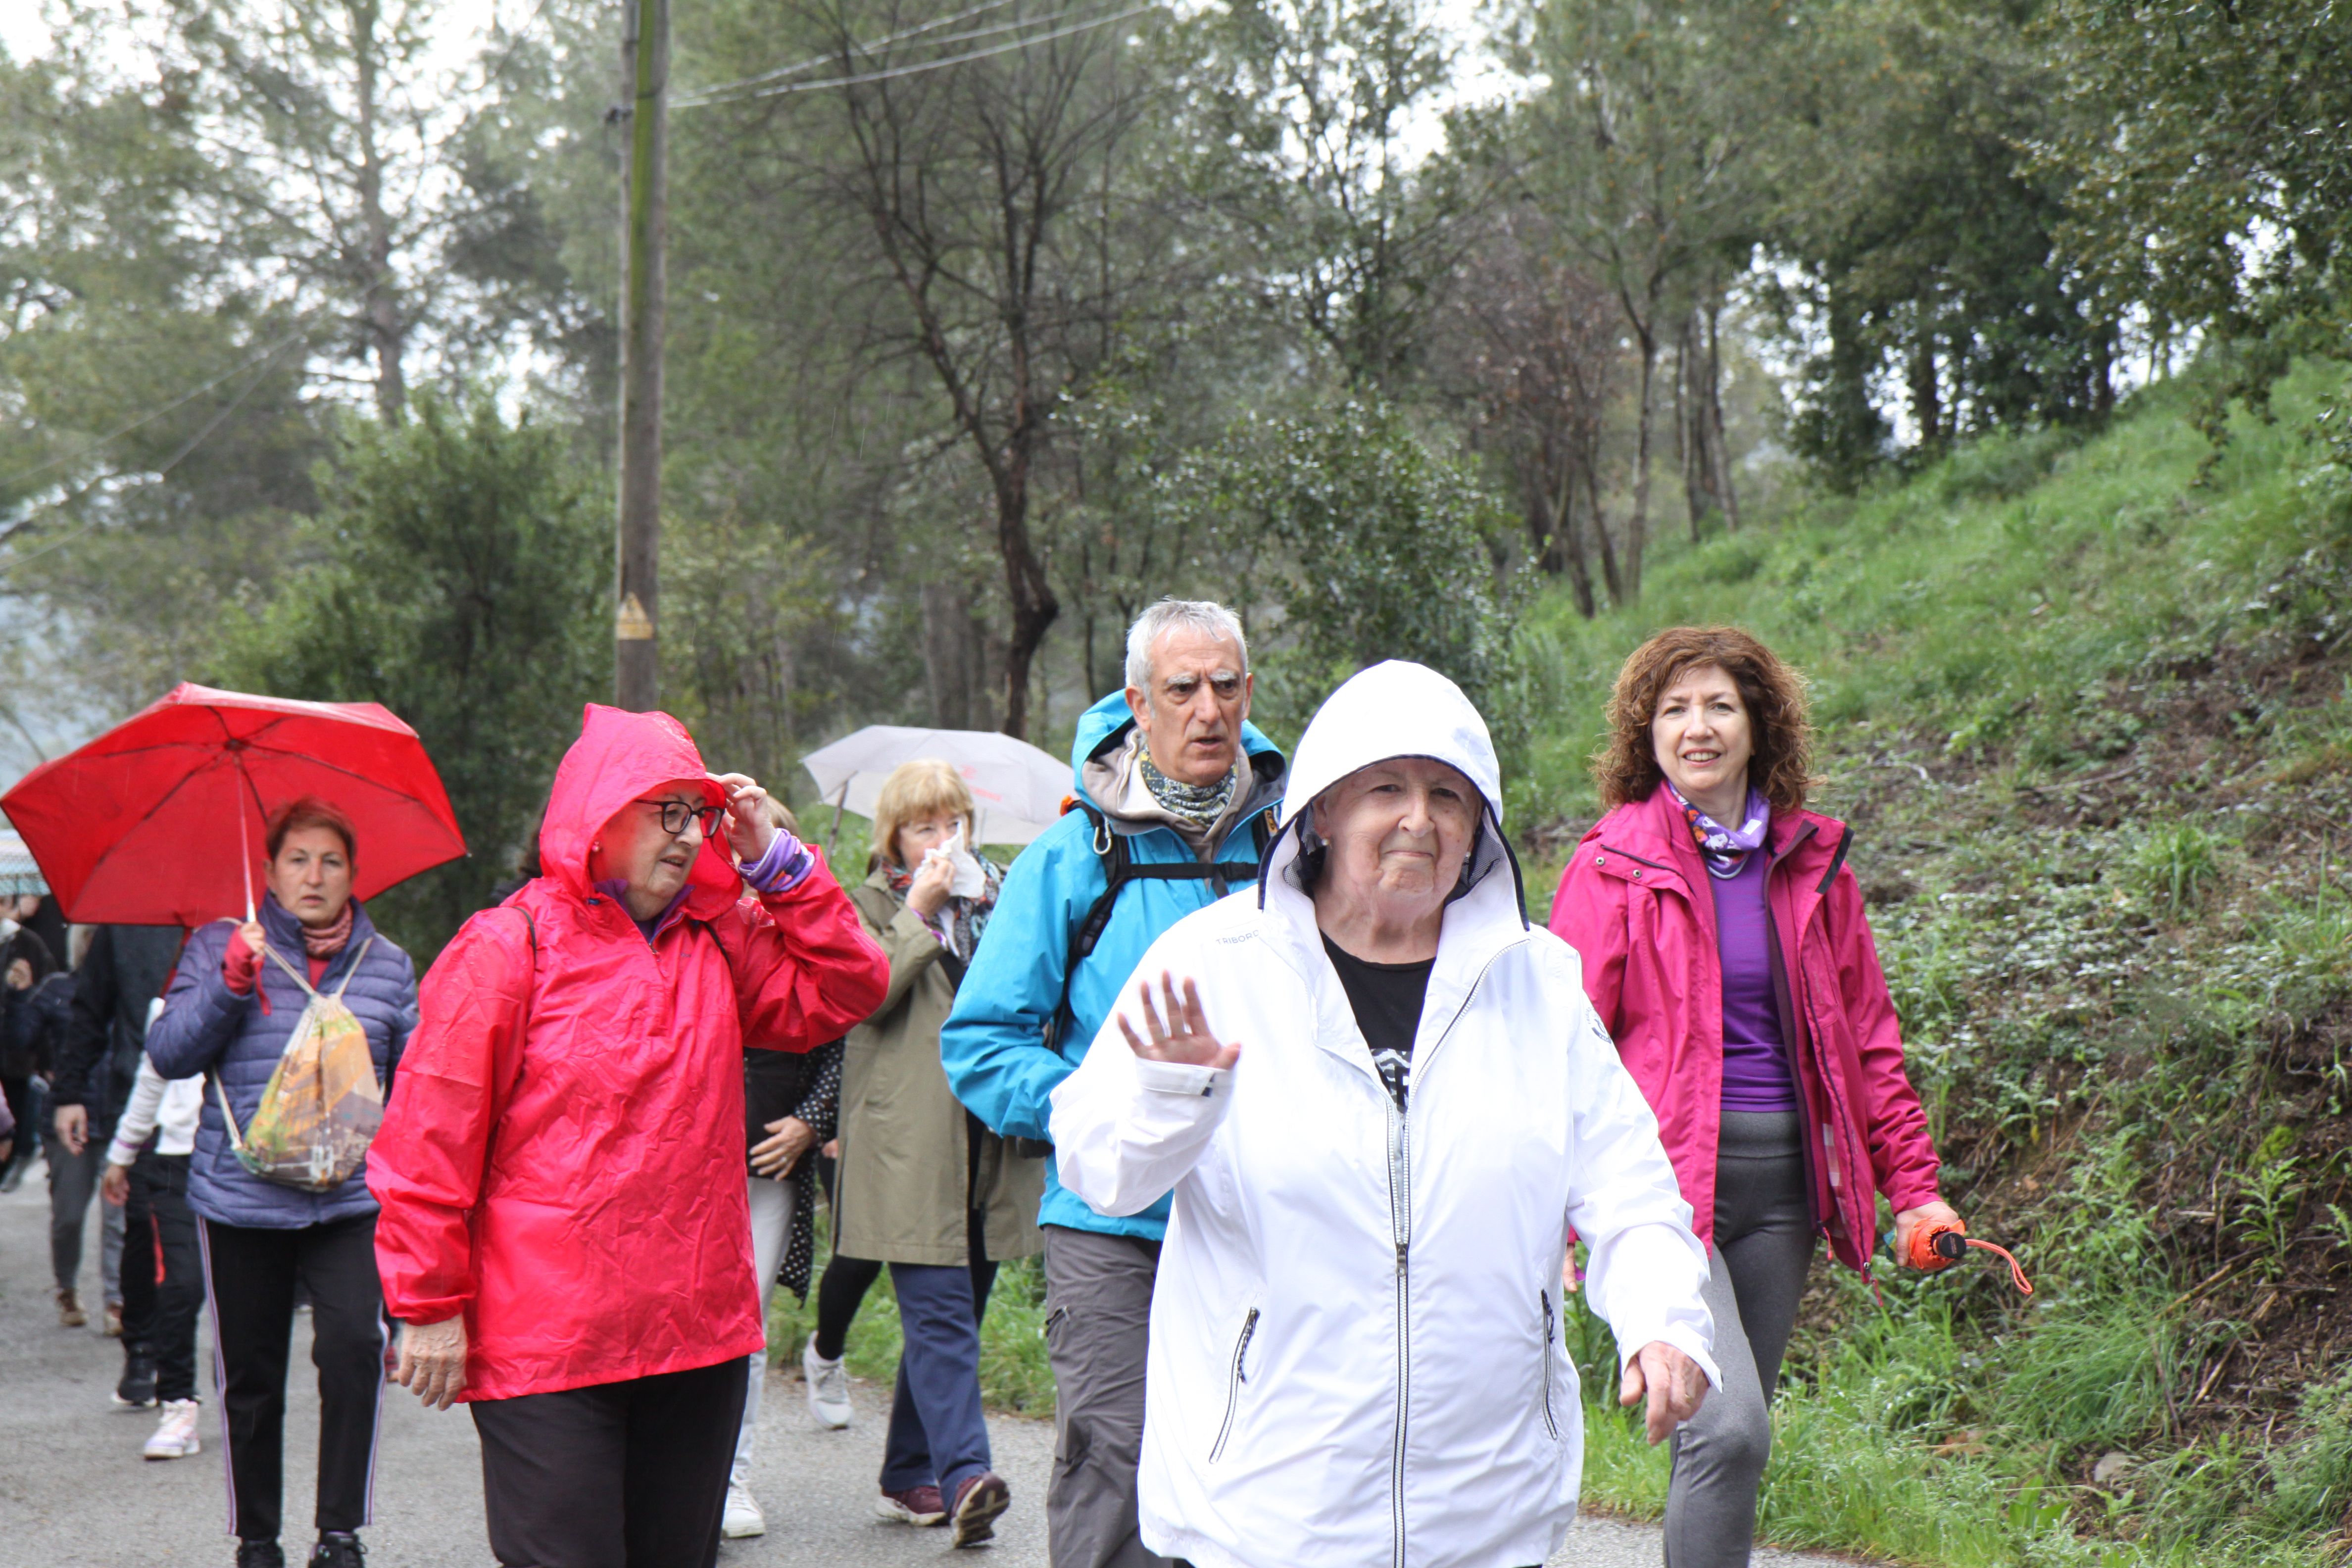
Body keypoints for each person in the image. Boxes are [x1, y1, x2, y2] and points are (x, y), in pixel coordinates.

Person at [1049, 659, 1717, 1568]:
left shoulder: (1537, 977)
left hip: (1487, 1503)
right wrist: (1170, 1099)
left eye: (1448, 793)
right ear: (1321, 811)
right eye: (1386, 789)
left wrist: (1663, 1320)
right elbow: (1100, 1171)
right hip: (1272, 1504)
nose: (1419, 818)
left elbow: (1630, 1188)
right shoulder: (1211, 963)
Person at [367, 704, 889, 1568]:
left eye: (700, 813)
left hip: (695, 1333)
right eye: (665, 810)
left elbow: (846, 988)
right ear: (599, 817)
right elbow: (429, 1138)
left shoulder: (717, 939)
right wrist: (427, 1308)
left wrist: (776, 859)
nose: (688, 836)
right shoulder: (509, 947)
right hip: (550, 1344)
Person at [1548, 626, 1959, 1568]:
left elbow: (1867, 1040)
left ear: (1756, 724)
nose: (1697, 727)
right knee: (1727, 1430)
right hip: (1665, 1194)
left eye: (1719, 706)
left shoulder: (1812, 863)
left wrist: (1916, 1187)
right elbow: (1560, 1052)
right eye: (1674, 709)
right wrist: (1564, 1217)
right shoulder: (1611, 864)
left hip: (1783, 1197)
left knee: (1723, 1445)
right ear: (1643, 733)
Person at [943, 599, 1286, 1568]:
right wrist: (1109, 1112)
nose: (1209, 709)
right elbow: (981, 1042)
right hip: (1113, 1226)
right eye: (1183, 689)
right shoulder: (1075, 854)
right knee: (1118, 1464)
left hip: (1270, 1211)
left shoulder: (1298, 845)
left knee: (1258, 1470)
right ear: (1140, 704)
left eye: (1226, 685)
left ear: (1249, 690)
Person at [147, 799, 418, 1568]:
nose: (314, 876)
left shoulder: (389, 965)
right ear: (269, 871)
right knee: (252, 1375)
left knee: (353, 1349)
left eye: (331, 861)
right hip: (242, 1200)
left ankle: (340, 1533)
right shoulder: (218, 947)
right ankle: (256, 1539)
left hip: (351, 1200)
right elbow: (169, 1053)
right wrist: (232, 981)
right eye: (297, 859)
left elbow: (418, 1078)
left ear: (353, 876)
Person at [817, 759, 1042, 1546]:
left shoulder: (1006, 900)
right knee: (942, 1314)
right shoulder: (865, 906)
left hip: (988, 1142)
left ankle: (908, 1469)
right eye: (924, 827)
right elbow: (863, 995)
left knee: (958, 1317)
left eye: (954, 823)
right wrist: (919, 910)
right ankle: (966, 1476)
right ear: (894, 839)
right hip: (907, 1143)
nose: (943, 840)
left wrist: (1000, 911)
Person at [724, 797, 848, 1541]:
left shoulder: (815, 938)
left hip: (770, 1165)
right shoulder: (705, 926)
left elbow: (840, 1038)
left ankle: (732, 1478)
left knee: (746, 1325)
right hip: (686, 1160)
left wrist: (809, 1123)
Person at [53, 923, 180, 1334]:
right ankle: (142, 1346)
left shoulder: (245, 910)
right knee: (139, 1225)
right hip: (140, 1098)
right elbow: (91, 1008)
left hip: (223, 1108)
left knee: (217, 1244)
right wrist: (69, 1092)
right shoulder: (125, 921)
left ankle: (193, 1367)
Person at [101, 1028, 208, 1456]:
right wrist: (122, 1153)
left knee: (247, 1293)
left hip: (250, 1158)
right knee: (183, 1282)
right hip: (176, 1158)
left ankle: (250, 1408)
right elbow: (152, 1077)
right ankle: (178, 1402)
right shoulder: (174, 1002)